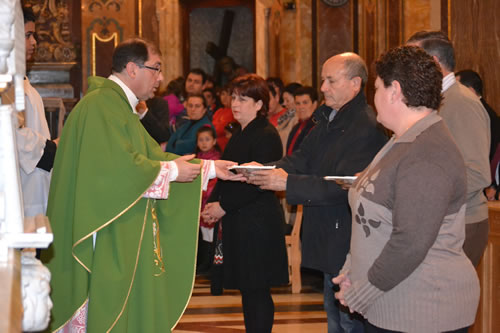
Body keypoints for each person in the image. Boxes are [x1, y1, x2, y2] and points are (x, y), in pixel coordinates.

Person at [41, 38, 241, 333]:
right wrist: (173, 169)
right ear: (132, 68)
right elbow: (115, 171)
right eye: (156, 69)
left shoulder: (117, 106)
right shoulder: (102, 105)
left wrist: (210, 167)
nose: (161, 78)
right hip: (102, 230)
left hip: (114, 227)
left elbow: (150, 157)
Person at [335, 45, 480, 333]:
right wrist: (352, 270)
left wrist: (362, 293)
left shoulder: (427, 152)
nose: (373, 97)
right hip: (392, 301)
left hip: (423, 308)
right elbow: (372, 218)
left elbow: (410, 243)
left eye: (376, 87)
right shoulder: (400, 140)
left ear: (394, 91)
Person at [247, 52, 387, 333]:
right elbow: (302, 159)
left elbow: (342, 186)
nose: (323, 88)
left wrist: (287, 184)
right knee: (334, 316)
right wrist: (263, 169)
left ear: (355, 84)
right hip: (328, 237)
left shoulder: (365, 127)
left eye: (330, 81)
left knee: (348, 321)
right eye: (323, 80)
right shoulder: (329, 118)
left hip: (346, 239)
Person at [202, 74, 289, 333]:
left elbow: (257, 181)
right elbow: (229, 173)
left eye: (243, 98)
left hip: (257, 223)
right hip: (242, 220)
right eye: (234, 97)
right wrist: (214, 203)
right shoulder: (241, 132)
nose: (235, 103)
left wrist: (223, 206)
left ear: (259, 104)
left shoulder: (265, 134)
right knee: (248, 289)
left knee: (257, 289)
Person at [407, 32, 491, 267]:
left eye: (412, 61)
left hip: (462, 223)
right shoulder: (434, 100)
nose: (406, 69)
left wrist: (426, 199)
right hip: (441, 220)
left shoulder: (462, 102)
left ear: (433, 62)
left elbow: (477, 173)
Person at [16, 6, 58, 218]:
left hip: (35, 183)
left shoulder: (21, 79)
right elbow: (10, 133)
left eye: (34, 35)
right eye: (28, 35)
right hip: (20, 189)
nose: (34, 42)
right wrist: (50, 149)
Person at [455, 69, 500, 200]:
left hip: (479, 187)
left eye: (457, 89)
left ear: (470, 91)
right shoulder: (481, 111)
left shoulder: (479, 114)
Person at [196, 126, 222, 274]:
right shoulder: (196, 159)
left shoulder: (217, 160)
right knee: (204, 234)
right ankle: (205, 263)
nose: (204, 143)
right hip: (200, 202)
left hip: (210, 200)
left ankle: (214, 266)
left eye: (207, 139)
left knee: (213, 234)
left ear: (214, 141)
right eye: (201, 140)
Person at [286, 86, 317, 155]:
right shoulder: (295, 128)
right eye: (298, 103)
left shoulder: (317, 128)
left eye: (305, 103)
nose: (301, 107)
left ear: (314, 104)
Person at [212, 85, 235, 152]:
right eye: (223, 94)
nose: (225, 97)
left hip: (226, 147)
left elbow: (221, 129)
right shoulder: (219, 111)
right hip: (214, 145)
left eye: (228, 94)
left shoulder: (235, 113)